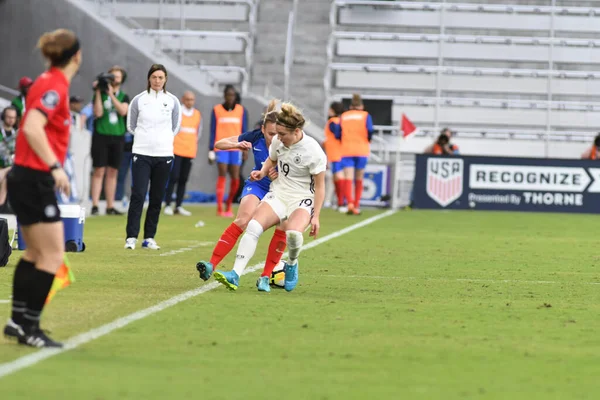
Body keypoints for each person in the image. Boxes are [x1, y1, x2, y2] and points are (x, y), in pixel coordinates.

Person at [3, 29, 82, 348]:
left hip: (26, 177)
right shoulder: (54, 85)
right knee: (52, 255)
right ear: (76, 55)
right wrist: (54, 165)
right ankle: (31, 328)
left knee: (36, 253)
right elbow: (33, 127)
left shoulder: (47, 81)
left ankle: (17, 321)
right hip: (35, 178)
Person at [213, 103, 326, 293]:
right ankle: (235, 274)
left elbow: (321, 186)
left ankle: (291, 263)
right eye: (276, 134)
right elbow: (272, 159)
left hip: (302, 198)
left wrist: (316, 216)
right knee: (253, 226)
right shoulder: (278, 142)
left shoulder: (314, 151)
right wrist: (263, 172)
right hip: (280, 193)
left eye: (282, 134)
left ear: (297, 131)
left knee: (293, 234)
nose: (278, 138)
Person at [196, 100, 287, 291]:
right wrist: (236, 145)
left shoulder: (288, 142)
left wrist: (280, 174)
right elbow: (219, 143)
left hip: (282, 190)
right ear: (262, 130)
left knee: (284, 228)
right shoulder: (255, 137)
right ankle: (211, 265)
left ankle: (267, 275)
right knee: (243, 220)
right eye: (270, 134)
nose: (274, 138)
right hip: (259, 185)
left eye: (278, 133)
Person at [125, 64, 182, 250]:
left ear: (165, 80)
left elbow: (175, 127)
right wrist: (145, 139)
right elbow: (131, 126)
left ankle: (149, 237)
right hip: (141, 153)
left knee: (157, 197)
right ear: (149, 78)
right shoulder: (139, 100)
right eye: (154, 77)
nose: (157, 81)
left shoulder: (172, 101)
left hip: (164, 154)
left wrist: (161, 141)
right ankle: (131, 237)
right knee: (138, 195)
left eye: (161, 78)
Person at [90, 65, 130, 216]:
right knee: (99, 170)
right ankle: (95, 204)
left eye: (117, 77)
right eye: (112, 76)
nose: (114, 79)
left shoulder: (123, 96)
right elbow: (98, 113)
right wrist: (99, 92)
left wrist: (112, 95)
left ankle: (110, 205)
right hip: (101, 135)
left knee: (113, 171)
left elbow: (123, 111)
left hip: (118, 136)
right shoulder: (100, 94)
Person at [209, 84, 248, 217]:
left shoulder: (241, 110)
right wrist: (211, 149)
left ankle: (229, 205)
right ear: (224, 96)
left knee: (236, 177)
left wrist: (245, 149)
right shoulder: (216, 110)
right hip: (221, 147)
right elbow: (212, 130)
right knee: (222, 174)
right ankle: (220, 208)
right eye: (228, 95)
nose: (230, 97)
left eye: (232, 95)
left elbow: (244, 131)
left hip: (236, 148)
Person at [164, 91, 202, 216]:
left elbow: (198, 133)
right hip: (176, 150)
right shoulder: (177, 112)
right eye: (188, 99)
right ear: (183, 99)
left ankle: (179, 205)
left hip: (189, 151)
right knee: (173, 177)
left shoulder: (197, 114)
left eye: (192, 99)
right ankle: (168, 204)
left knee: (183, 179)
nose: (190, 102)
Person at [335, 94, 373, 215]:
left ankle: (349, 203)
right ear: (361, 106)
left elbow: (338, 133)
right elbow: (370, 130)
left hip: (347, 149)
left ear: (351, 106)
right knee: (359, 177)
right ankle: (357, 204)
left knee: (348, 177)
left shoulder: (344, 116)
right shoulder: (365, 115)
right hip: (361, 149)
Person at [323, 101, 344, 210]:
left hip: (335, 153)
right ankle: (338, 202)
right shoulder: (338, 121)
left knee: (337, 177)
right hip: (335, 153)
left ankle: (340, 202)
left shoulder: (333, 122)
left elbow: (338, 135)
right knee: (336, 177)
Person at [0, 106, 18, 209]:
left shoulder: (17, 134)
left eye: (13, 117)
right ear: (3, 117)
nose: (11, 120)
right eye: (8, 117)